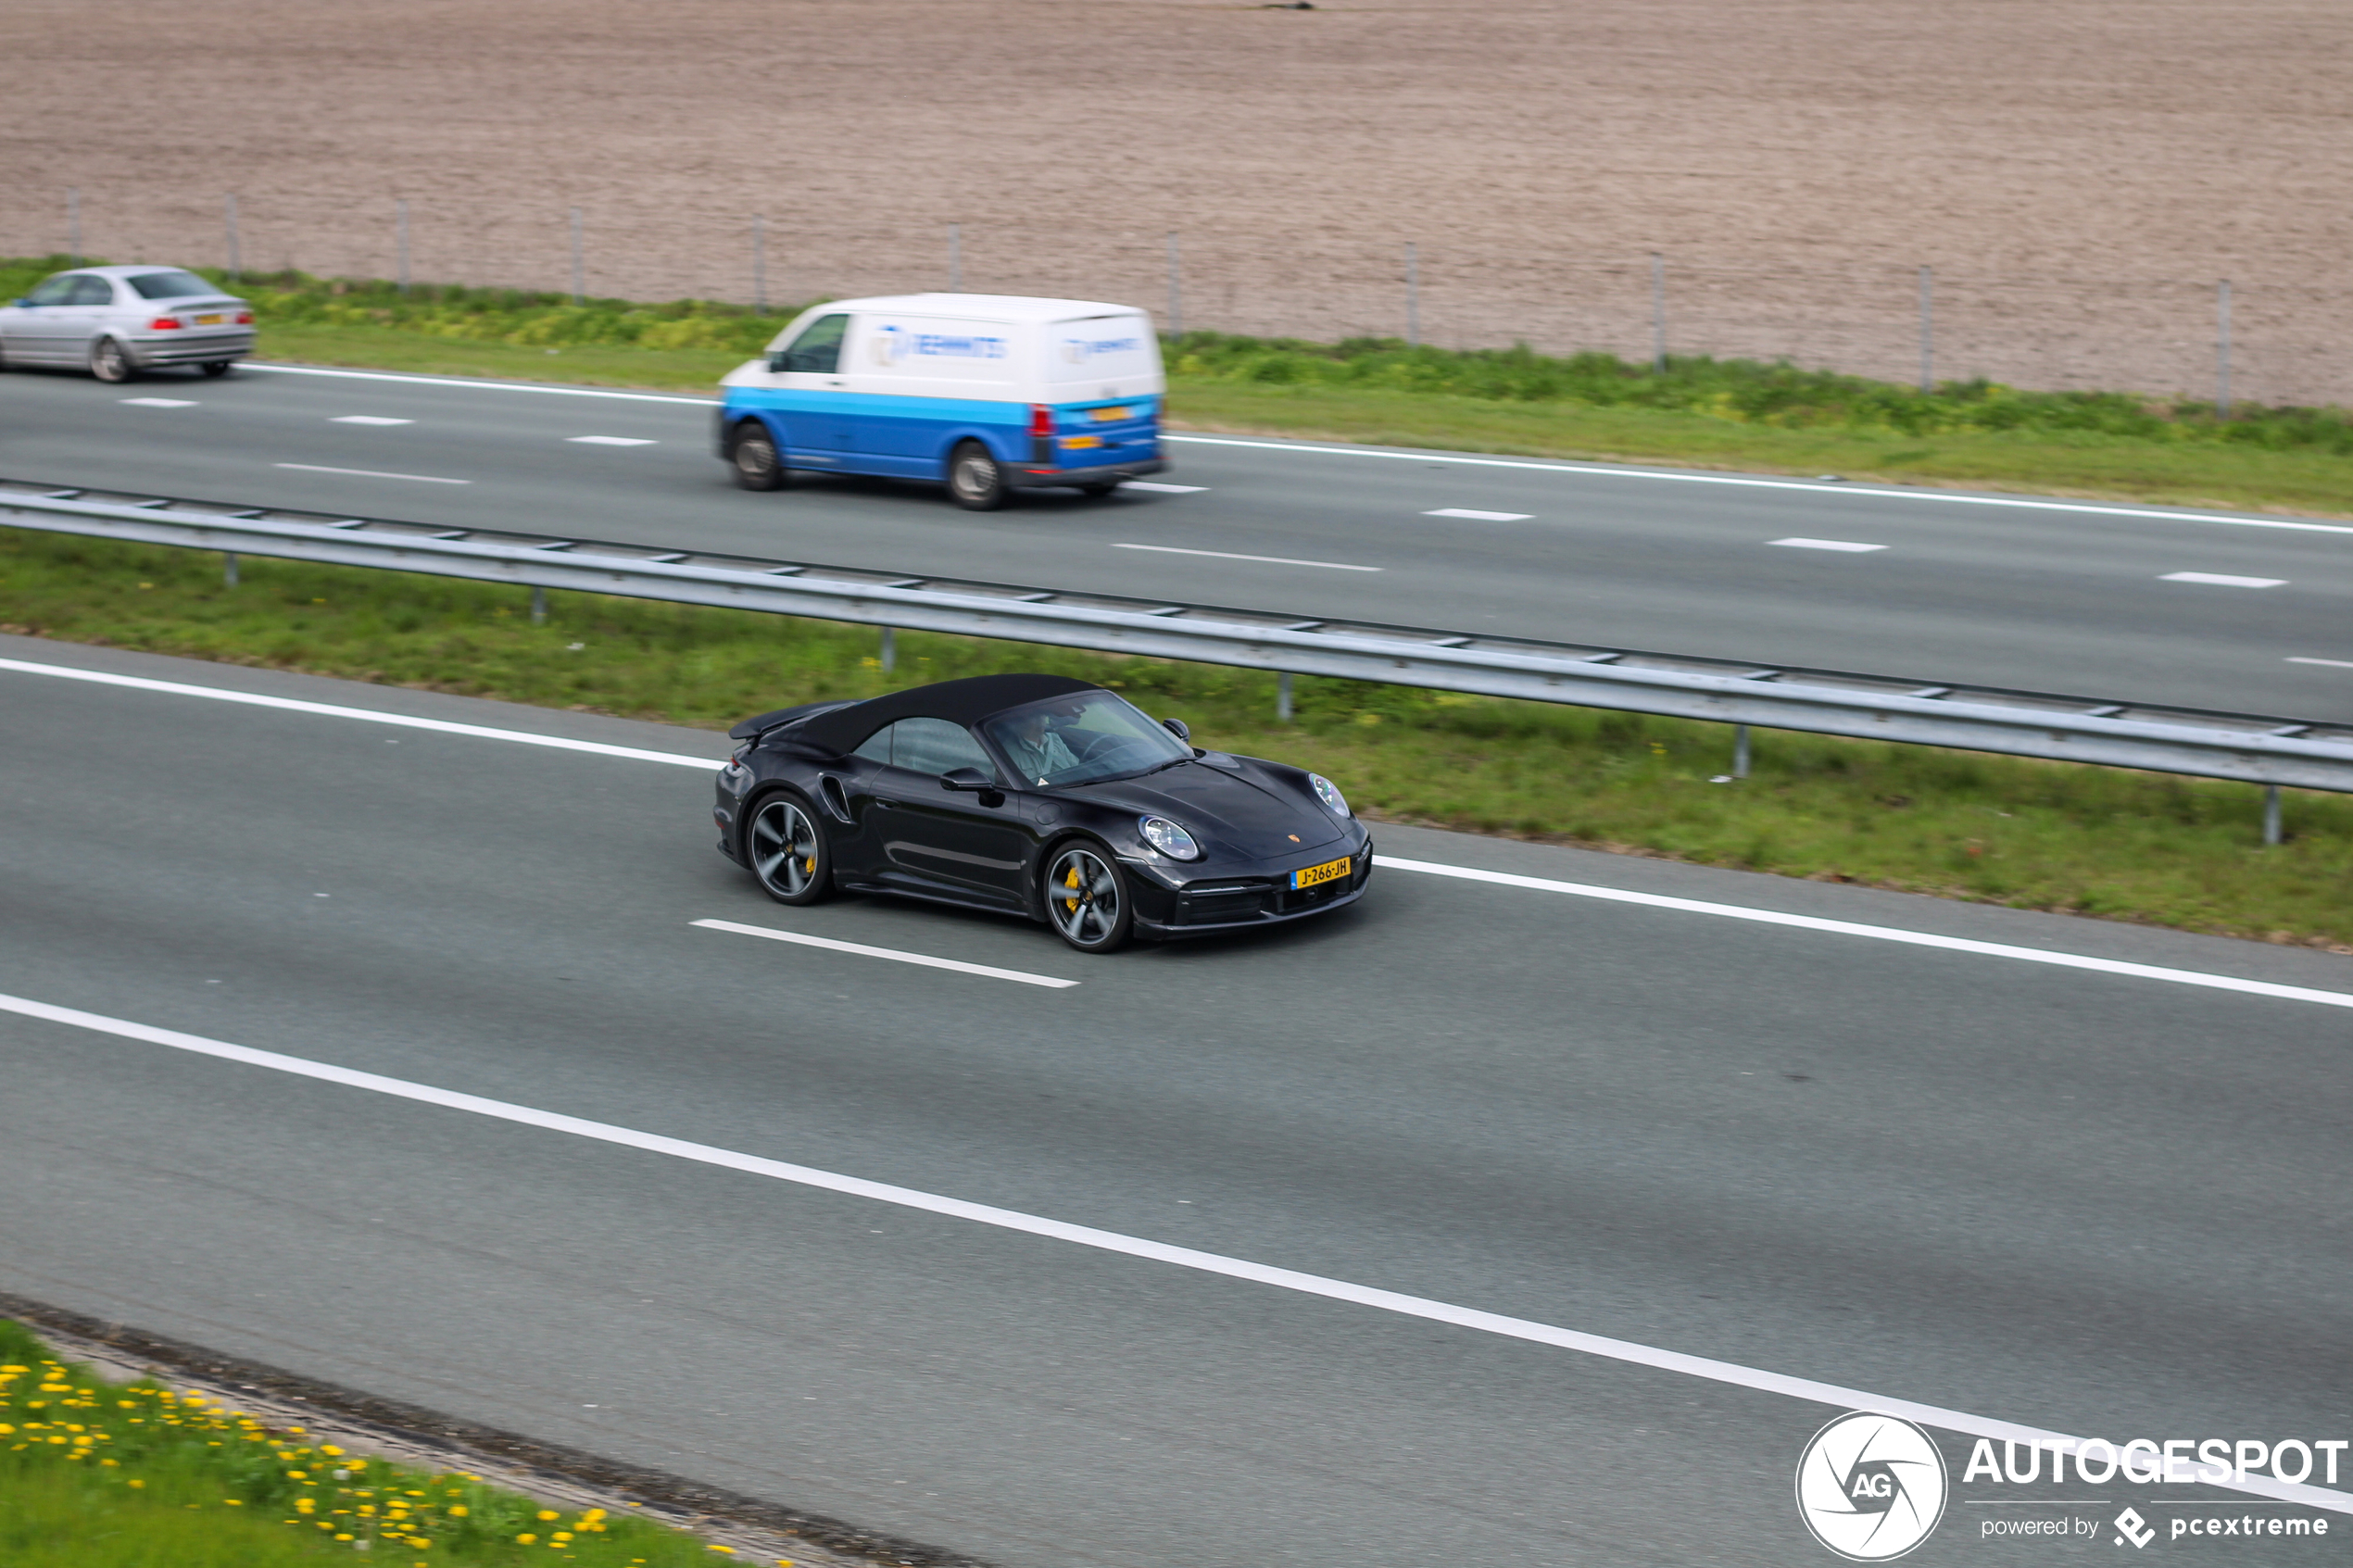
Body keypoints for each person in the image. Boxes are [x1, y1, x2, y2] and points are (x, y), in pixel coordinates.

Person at [998, 703, 1083, 784]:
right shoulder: (1009, 752)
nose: (1041, 721)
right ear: (1020, 722)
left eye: (1042, 715)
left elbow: (1076, 768)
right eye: (1034, 718)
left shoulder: (1054, 739)